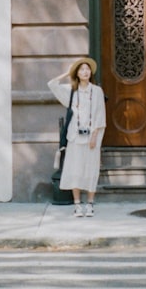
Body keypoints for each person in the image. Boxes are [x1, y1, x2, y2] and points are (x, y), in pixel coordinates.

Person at [48, 57, 106, 217]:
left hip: (91, 136)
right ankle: (77, 205)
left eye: (87, 69)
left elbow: (100, 114)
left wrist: (95, 135)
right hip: (75, 136)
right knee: (75, 170)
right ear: (77, 73)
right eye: (81, 69)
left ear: (91, 72)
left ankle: (90, 204)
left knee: (91, 169)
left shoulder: (97, 91)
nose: (85, 72)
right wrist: (67, 73)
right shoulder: (71, 91)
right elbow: (52, 84)